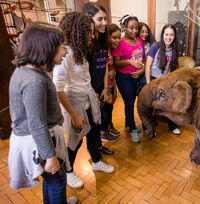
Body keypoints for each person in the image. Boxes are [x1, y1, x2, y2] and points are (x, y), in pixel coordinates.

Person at [8, 22, 77, 204]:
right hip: (40, 142)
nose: (65, 52)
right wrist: (50, 157)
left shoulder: (27, 71)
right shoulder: (34, 82)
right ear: (47, 48)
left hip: (38, 140)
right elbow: (37, 123)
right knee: (58, 181)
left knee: (52, 179)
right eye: (62, 46)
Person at [53, 11, 114, 189]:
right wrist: (73, 115)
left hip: (87, 98)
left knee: (94, 133)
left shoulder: (79, 52)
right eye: (89, 32)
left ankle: (96, 161)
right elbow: (58, 89)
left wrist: (91, 92)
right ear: (78, 32)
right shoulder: (67, 55)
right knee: (75, 140)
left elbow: (83, 78)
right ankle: (68, 171)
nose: (92, 36)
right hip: (74, 104)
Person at [82, 2, 119, 148]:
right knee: (94, 123)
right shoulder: (86, 43)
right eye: (100, 19)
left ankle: (99, 147)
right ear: (89, 19)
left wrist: (105, 88)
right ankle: (95, 151)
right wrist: (90, 92)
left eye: (105, 18)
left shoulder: (103, 39)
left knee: (100, 119)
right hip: (88, 91)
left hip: (100, 87)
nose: (104, 23)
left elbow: (104, 66)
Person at [145, 24, 181, 135]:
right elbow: (147, 66)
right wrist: (148, 85)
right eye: (166, 34)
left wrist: (167, 82)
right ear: (163, 35)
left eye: (171, 35)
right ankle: (148, 127)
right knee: (149, 105)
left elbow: (170, 67)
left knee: (169, 103)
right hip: (152, 79)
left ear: (174, 36)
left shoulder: (174, 49)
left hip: (164, 80)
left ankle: (172, 126)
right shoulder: (155, 47)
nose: (168, 37)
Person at [113, 14, 144, 143]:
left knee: (132, 102)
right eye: (131, 28)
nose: (134, 31)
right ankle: (132, 129)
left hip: (137, 77)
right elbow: (117, 63)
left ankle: (128, 124)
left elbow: (143, 58)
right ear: (124, 27)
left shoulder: (139, 40)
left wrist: (140, 71)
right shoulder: (120, 42)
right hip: (124, 78)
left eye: (136, 28)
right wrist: (130, 62)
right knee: (129, 103)